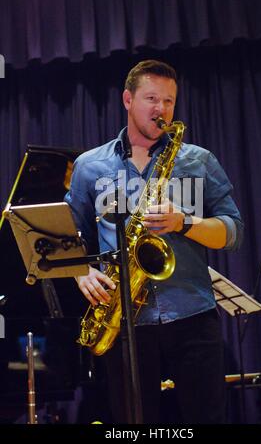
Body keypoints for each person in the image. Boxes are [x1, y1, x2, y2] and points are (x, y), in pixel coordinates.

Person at [64, 59, 244, 424]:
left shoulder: (199, 161)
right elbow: (68, 235)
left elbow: (233, 232)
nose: (161, 110)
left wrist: (184, 222)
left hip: (192, 314)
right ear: (127, 99)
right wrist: (81, 272)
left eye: (169, 101)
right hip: (126, 322)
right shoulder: (89, 166)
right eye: (151, 99)